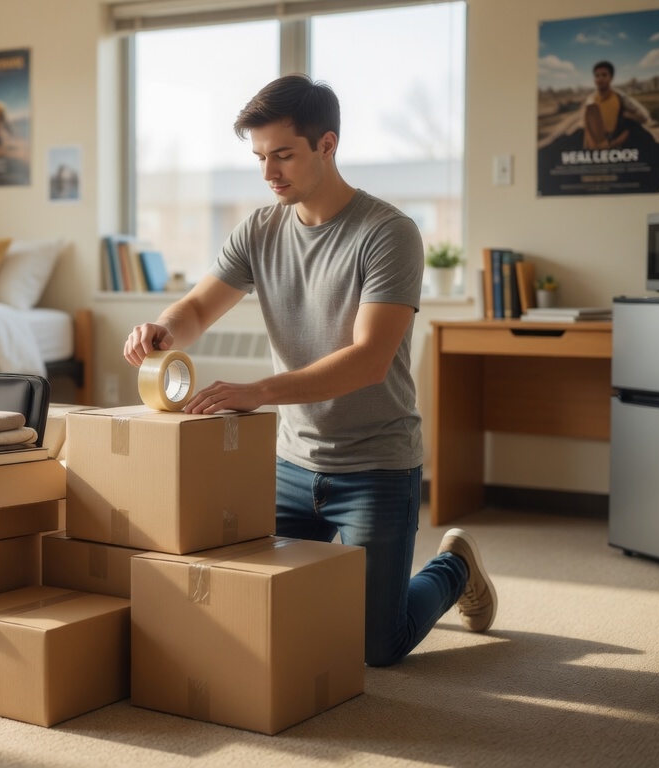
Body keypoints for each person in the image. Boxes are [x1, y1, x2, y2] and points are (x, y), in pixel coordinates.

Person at [123, 74, 497, 668]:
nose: (269, 172)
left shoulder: (389, 233)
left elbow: (370, 359)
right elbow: (196, 308)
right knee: (254, 609)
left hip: (376, 462)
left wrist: (257, 393)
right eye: (259, 157)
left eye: (282, 155)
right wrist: (164, 328)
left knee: (377, 646)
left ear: (327, 145)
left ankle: (455, 567)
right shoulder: (260, 229)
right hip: (293, 465)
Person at [582, 60, 651, 150]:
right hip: (596, 143)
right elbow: (588, 128)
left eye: (604, 75)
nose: (600, 79)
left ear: (611, 77)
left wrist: (629, 115)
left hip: (616, 143)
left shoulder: (620, 97)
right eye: (597, 76)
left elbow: (644, 117)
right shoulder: (590, 100)